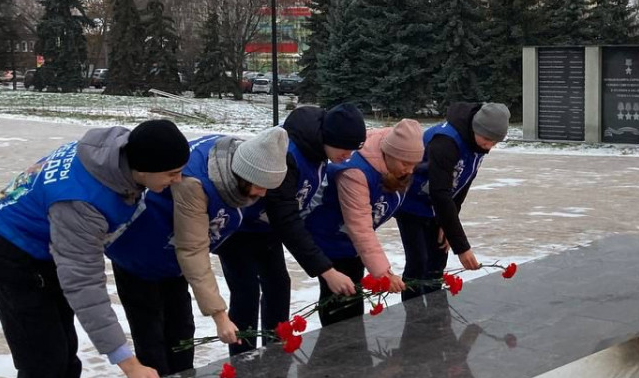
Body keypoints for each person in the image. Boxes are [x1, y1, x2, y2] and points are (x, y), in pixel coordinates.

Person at [0, 119, 189, 378]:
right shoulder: (83, 201)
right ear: (143, 168)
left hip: (46, 249)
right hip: (10, 253)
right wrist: (129, 364)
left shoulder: (119, 153)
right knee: (43, 364)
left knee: (64, 357)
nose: (178, 180)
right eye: (171, 174)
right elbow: (85, 285)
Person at [105, 127, 288, 375]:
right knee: (152, 338)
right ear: (244, 175)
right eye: (260, 186)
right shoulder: (194, 183)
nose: (262, 194)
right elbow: (193, 249)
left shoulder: (233, 163)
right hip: (139, 255)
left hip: (173, 262)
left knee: (181, 333)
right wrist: (219, 315)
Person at [217, 104, 368, 356]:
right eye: (346, 148)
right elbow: (286, 218)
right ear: (330, 138)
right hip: (240, 227)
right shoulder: (289, 155)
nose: (348, 156)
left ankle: (273, 352)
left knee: (278, 285)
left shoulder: (320, 151)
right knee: (246, 291)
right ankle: (242, 361)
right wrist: (326, 270)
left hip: (266, 230)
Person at [305, 119, 424, 325]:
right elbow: (359, 226)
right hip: (330, 234)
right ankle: (336, 351)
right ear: (390, 153)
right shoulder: (356, 173)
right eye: (405, 164)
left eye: (414, 164)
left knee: (353, 298)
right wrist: (383, 273)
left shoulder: (396, 155)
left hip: (351, 242)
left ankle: (352, 348)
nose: (410, 170)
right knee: (340, 301)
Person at [396, 103, 509, 301]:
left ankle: (436, 316)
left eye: (495, 142)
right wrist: (462, 246)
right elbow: (440, 192)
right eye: (487, 139)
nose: (489, 146)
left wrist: (448, 224)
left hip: (438, 205)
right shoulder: (446, 142)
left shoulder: (477, 144)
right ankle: (413, 319)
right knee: (419, 261)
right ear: (476, 128)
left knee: (437, 260)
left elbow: (463, 183)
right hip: (411, 202)